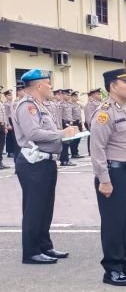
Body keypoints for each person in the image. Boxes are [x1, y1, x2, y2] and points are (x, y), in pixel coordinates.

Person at [12, 69, 78, 264]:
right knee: (35, 207)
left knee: (45, 207)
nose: (51, 87)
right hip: (34, 163)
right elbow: (33, 133)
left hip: (46, 161)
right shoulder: (27, 106)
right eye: (48, 83)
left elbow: (45, 131)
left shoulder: (41, 105)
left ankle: (44, 246)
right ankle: (31, 252)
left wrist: (65, 134)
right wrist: (61, 134)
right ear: (39, 85)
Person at [89, 69, 126, 286]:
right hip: (114, 174)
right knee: (114, 223)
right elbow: (97, 148)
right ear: (113, 86)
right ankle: (112, 269)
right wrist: (104, 179)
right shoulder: (105, 112)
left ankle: (124, 264)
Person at [84, 88, 102, 156]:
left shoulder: (99, 103)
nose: (100, 95)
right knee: (92, 137)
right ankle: (91, 151)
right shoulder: (91, 104)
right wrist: (91, 125)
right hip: (93, 124)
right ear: (93, 95)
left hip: (99, 123)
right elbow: (89, 116)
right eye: (98, 94)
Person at [69, 91, 83, 158]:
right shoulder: (70, 105)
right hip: (74, 123)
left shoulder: (77, 104)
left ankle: (76, 152)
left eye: (77, 96)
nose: (76, 98)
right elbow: (69, 114)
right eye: (75, 96)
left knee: (78, 139)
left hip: (79, 122)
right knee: (74, 139)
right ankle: (74, 153)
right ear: (71, 97)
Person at [0, 87, 7, 169]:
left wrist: (5, 126)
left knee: (1, 144)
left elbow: (4, 115)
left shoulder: (1, 103)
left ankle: (0, 162)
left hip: (1, 125)